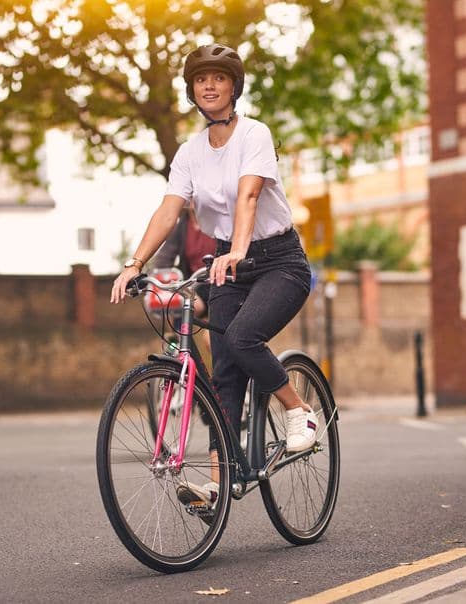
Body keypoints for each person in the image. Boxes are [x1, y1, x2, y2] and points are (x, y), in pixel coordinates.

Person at [110, 43, 315, 511]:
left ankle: (298, 409)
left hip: (277, 259)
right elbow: (169, 210)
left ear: (233, 87)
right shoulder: (189, 153)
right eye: (202, 79)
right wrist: (135, 263)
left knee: (243, 338)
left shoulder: (254, 135)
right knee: (223, 374)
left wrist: (240, 250)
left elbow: (248, 197)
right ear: (192, 90)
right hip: (226, 263)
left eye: (219, 79)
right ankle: (223, 480)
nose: (210, 85)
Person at [152, 207, 216, 319]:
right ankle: (179, 335)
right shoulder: (183, 224)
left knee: (192, 305)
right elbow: (164, 257)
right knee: (176, 303)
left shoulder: (218, 220)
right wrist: (157, 276)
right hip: (192, 281)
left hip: (216, 280)